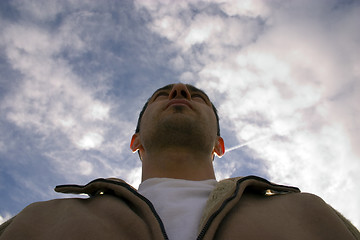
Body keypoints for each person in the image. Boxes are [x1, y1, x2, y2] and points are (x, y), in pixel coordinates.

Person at [0, 83, 359, 239]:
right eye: (162, 95)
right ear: (135, 141)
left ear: (219, 145)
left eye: (197, 97)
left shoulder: (311, 213)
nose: (179, 92)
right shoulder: (38, 220)